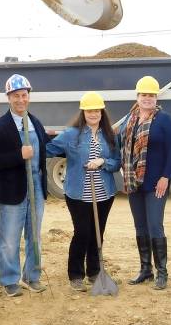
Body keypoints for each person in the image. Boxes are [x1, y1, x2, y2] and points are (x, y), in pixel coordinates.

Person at [46, 92, 121, 292]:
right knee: (82, 233)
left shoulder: (110, 135)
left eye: (96, 110)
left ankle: (94, 272)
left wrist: (103, 162)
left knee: (98, 233)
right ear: (83, 112)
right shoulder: (72, 134)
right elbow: (49, 148)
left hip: (104, 193)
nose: (93, 113)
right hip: (78, 193)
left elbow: (116, 162)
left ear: (102, 112)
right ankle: (76, 274)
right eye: (89, 110)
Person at [0, 74, 50, 297]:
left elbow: (44, 150)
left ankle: (32, 276)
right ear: (8, 98)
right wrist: (18, 155)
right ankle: (10, 279)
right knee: (9, 239)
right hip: (12, 190)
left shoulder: (36, 123)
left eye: (24, 95)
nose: (21, 100)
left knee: (35, 236)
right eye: (16, 96)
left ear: (28, 96)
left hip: (36, 187)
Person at [117, 77, 171, 290]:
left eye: (151, 95)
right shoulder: (130, 119)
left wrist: (165, 177)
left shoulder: (164, 120)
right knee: (140, 226)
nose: (147, 99)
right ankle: (145, 269)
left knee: (155, 225)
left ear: (156, 97)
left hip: (155, 184)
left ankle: (162, 272)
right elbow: (121, 144)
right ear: (138, 97)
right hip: (135, 183)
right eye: (144, 95)